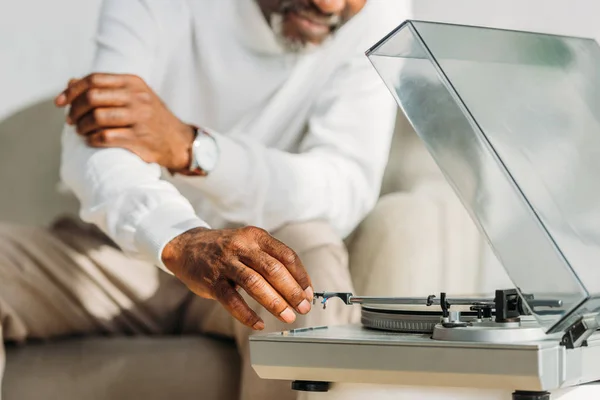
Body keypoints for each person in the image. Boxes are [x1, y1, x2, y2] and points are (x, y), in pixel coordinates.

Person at [0, 0, 401, 398]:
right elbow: (99, 143)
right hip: (114, 257)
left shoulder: (379, 16)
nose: (329, 4)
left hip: (258, 256)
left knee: (304, 283)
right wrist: (177, 238)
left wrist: (195, 151)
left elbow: (344, 186)